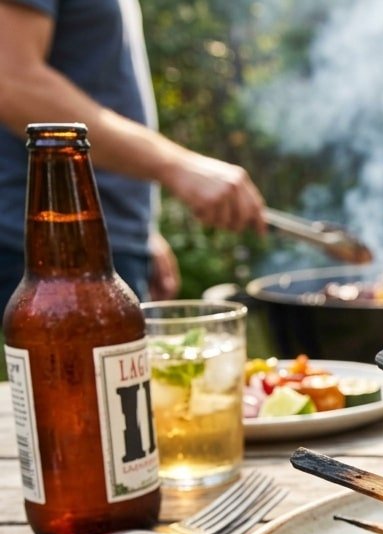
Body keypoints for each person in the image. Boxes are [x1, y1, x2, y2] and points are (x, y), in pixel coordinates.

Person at [0, 0, 266, 306]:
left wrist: (139, 229)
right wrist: (177, 165)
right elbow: (12, 82)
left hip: (110, 241)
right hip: (42, 250)